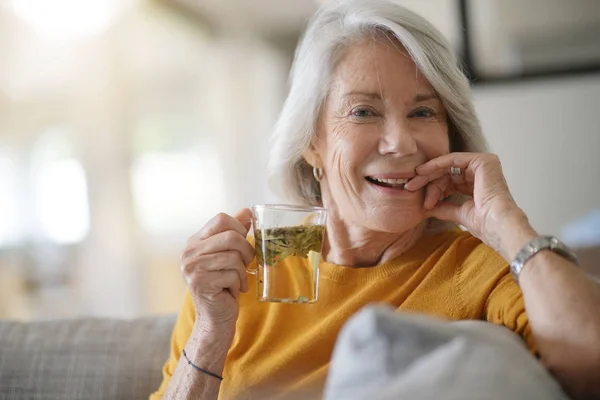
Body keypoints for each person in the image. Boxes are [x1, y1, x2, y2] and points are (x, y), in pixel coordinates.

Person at [150, 0, 600, 399]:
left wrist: (508, 222)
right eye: (364, 111)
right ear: (311, 142)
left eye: (423, 112)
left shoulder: (475, 270)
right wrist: (210, 332)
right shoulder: (241, 272)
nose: (400, 143)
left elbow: (592, 367)